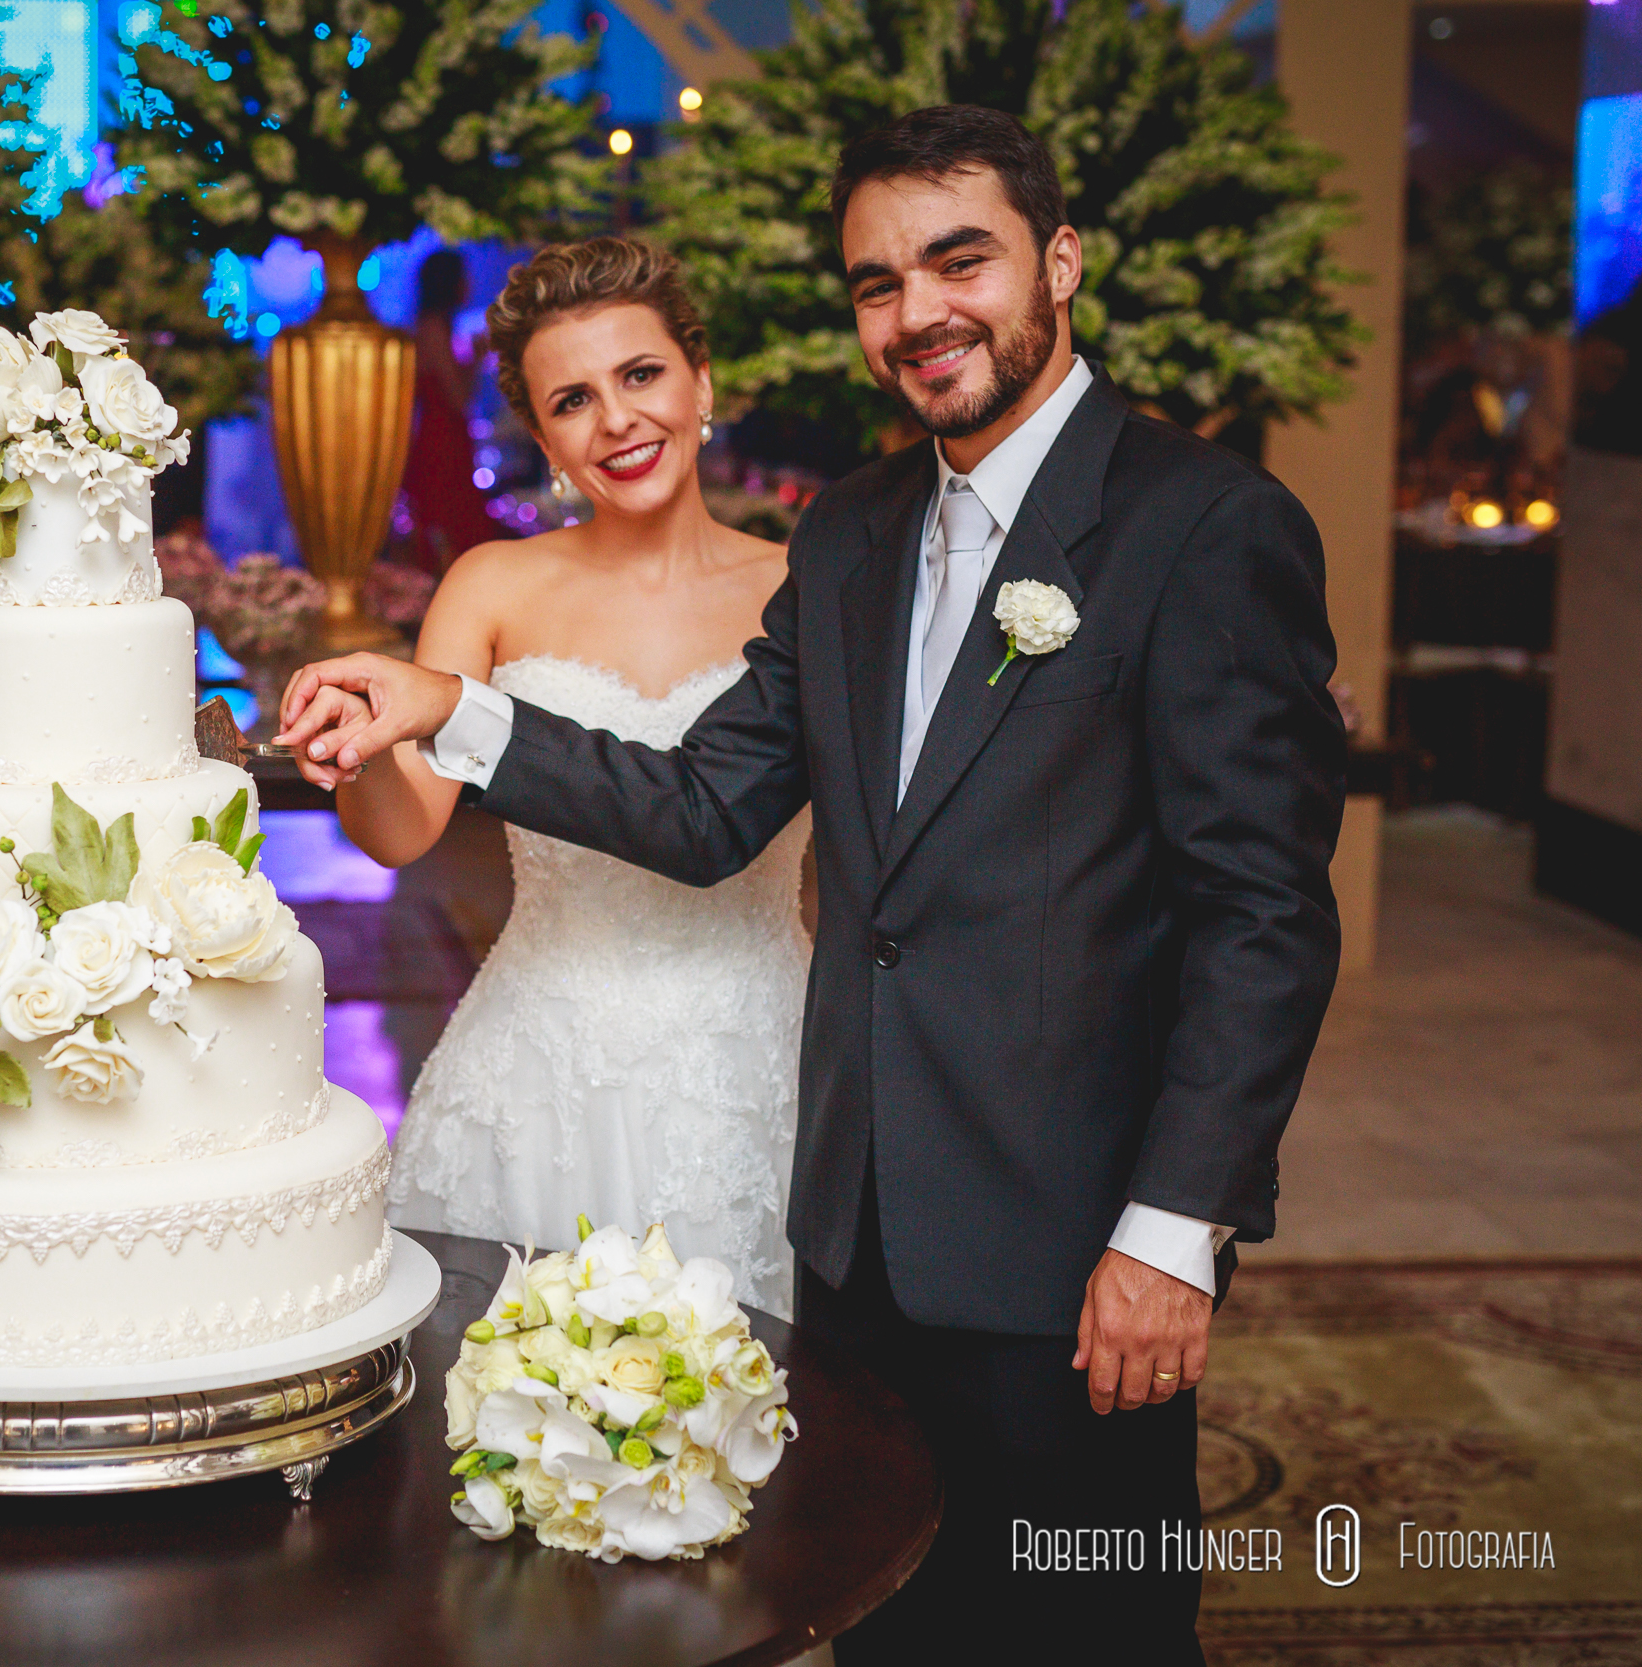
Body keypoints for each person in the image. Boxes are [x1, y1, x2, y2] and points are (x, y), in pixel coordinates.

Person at [279, 105, 1344, 1661]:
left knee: (1085, 1629)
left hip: (1070, 1250)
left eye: (958, 259)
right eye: (876, 282)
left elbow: (1263, 912)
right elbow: (707, 803)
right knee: (877, 1614)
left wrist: (1173, 1229)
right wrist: (459, 707)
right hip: (849, 1244)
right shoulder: (847, 534)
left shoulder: (1207, 524)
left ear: (1058, 260)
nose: (919, 312)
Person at [331, 238, 806, 1314]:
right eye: (574, 399)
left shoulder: (804, 587)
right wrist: (357, 758)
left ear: (700, 380)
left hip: (757, 1063)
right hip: (537, 1073)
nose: (618, 420)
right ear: (544, 436)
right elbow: (405, 830)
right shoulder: (493, 584)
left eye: (641, 375)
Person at [400, 249, 495, 571]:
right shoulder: (432, 327)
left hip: (444, 434)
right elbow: (456, 396)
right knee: (450, 523)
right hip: (441, 439)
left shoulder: (435, 325)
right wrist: (477, 357)